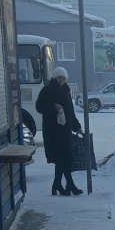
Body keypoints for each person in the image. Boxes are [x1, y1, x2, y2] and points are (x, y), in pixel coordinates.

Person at [36, 67, 83, 195]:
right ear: (54, 78)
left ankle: (58, 184)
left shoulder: (66, 90)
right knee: (63, 159)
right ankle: (69, 184)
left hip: (65, 131)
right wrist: (53, 106)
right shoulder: (47, 90)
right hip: (53, 131)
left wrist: (77, 126)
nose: (61, 80)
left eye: (63, 78)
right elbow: (39, 107)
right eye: (59, 78)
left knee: (64, 159)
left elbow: (70, 112)